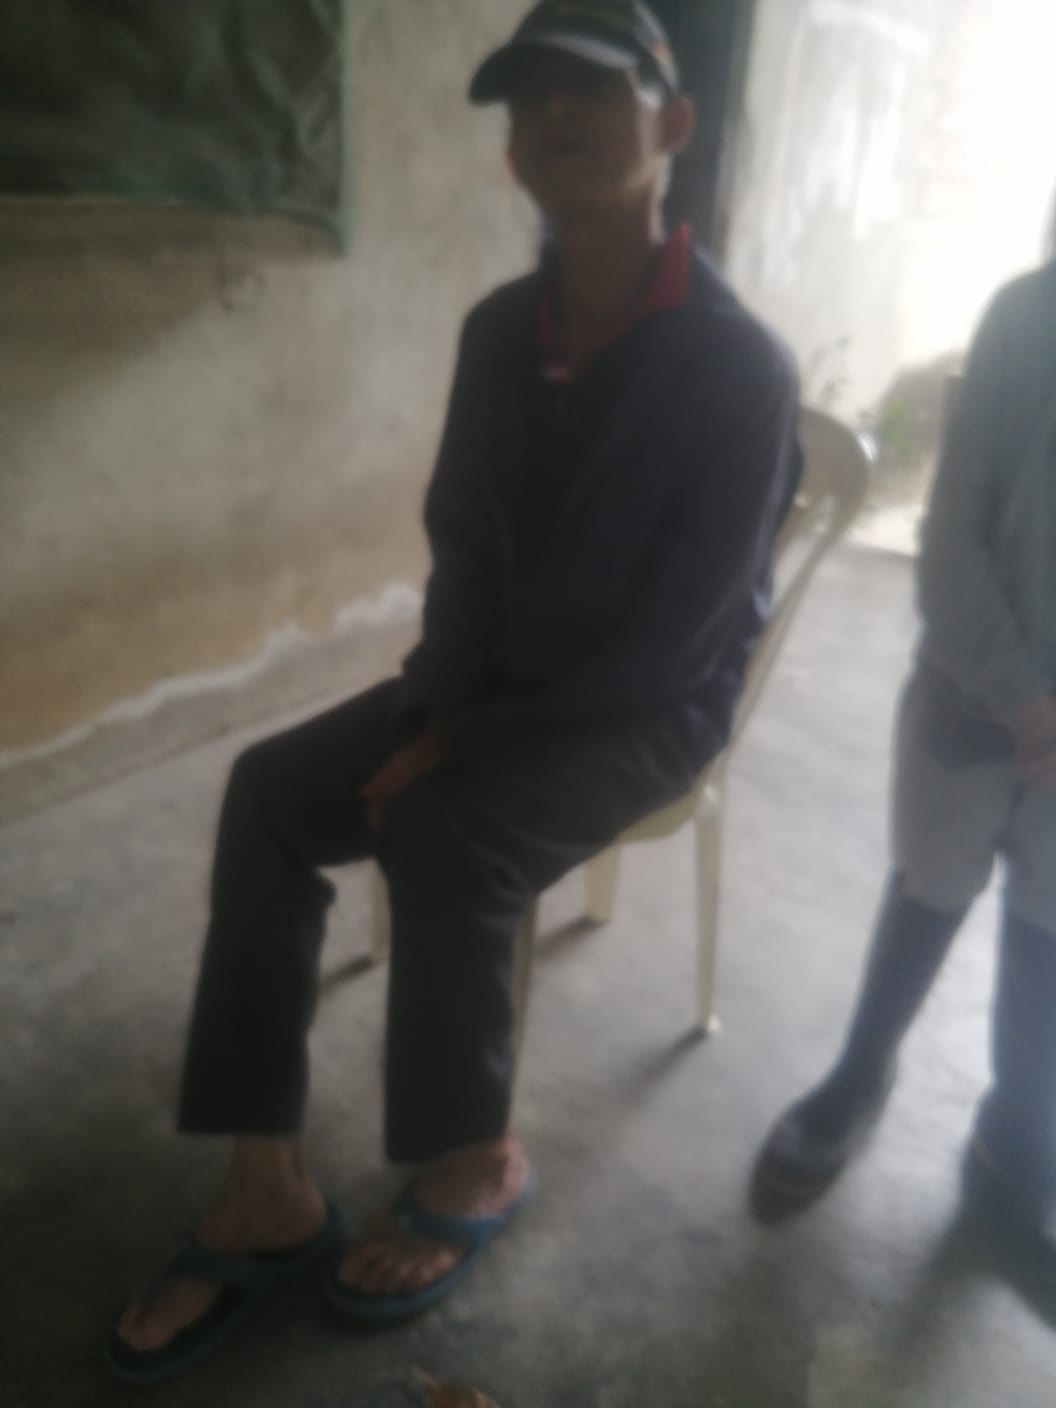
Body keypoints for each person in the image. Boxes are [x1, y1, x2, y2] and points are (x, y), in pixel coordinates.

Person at [109, 0, 801, 1382]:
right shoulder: (500, 331)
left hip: (649, 706)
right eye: (529, 98)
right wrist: (437, 707)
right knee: (267, 791)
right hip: (498, 679)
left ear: (673, 125)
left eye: (591, 90)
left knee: (449, 828)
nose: (553, 115)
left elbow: (674, 646)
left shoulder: (737, 367)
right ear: (511, 153)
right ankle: (267, 1186)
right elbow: (465, 553)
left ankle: (476, 1158)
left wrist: (461, 742)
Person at [756, 247, 1056, 1270]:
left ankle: (1018, 1136)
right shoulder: (1029, 320)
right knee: (930, 886)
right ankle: (862, 1072)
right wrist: (1024, 693)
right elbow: (950, 536)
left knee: (1049, 929)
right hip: (973, 692)